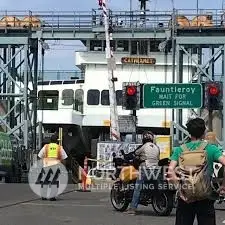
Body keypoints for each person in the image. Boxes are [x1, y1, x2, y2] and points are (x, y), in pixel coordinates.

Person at [167, 117, 225, 225]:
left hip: (185, 197)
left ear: (189, 132)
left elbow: (170, 172)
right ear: (203, 133)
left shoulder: (179, 149)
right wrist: (223, 185)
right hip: (205, 197)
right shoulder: (211, 148)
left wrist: (180, 191)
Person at [127, 131, 160, 215]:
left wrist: (129, 156)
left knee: (137, 188)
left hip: (146, 169)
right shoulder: (157, 147)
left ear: (143, 139)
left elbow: (135, 153)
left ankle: (132, 208)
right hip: (156, 170)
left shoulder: (143, 146)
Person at [38, 134, 68, 201]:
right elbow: (64, 158)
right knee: (54, 181)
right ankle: (52, 197)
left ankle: (44, 196)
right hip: (55, 167)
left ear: (50, 140)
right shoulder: (59, 147)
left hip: (46, 166)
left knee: (45, 181)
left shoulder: (46, 147)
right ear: (57, 141)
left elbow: (40, 156)